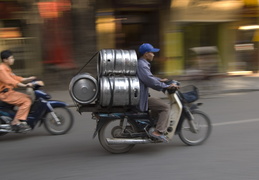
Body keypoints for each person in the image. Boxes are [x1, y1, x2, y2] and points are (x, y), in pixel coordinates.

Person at [136, 43, 179, 142]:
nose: (154, 55)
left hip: (141, 95)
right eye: (152, 52)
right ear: (146, 54)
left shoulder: (142, 63)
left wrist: (160, 80)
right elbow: (149, 81)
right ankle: (158, 132)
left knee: (158, 102)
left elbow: (149, 77)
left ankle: (150, 125)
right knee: (165, 107)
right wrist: (167, 86)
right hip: (141, 97)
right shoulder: (142, 65)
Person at [0, 50, 36, 132]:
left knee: (28, 97)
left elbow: (15, 78)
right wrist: (24, 85)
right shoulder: (1, 69)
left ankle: (22, 119)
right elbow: (10, 81)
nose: (13, 59)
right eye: (11, 58)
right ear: (5, 60)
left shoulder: (6, 68)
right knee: (26, 101)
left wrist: (28, 79)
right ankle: (16, 121)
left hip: (9, 92)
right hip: (5, 94)